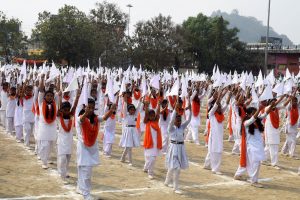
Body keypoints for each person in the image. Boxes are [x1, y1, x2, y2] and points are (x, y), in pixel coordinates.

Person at [76, 98, 115, 200]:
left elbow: (104, 118)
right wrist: (86, 112)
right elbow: (81, 120)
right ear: (85, 107)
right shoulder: (80, 118)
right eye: (89, 107)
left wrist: (111, 110)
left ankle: (80, 188)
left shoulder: (95, 118)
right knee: (85, 171)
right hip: (83, 148)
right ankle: (86, 194)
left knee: (84, 170)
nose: (91, 109)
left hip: (91, 148)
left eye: (93, 108)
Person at [234, 104, 273, 188]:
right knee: (256, 163)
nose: (257, 114)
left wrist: (273, 104)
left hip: (258, 145)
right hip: (251, 146)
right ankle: (253, 181)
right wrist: (259, 108)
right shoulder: (246, 122)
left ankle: (238, 175)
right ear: (248, 114)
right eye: (254, 113)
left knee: (248, 162)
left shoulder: (257, 121)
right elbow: (252, 119)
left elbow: (266, 113)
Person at [164, 97, 191, 194]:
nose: (179, 122)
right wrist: (175, 109)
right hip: (173, 148)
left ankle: (167, 181)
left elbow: (188, 120)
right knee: (177, 168)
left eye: (180, 120)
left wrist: (190, 110)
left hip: (181, 148)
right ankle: (176, 187)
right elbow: (171, 121)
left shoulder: (182, 127)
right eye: (177, 120)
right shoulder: (171, 128)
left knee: (172, 167)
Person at [203, 88, 231, 174]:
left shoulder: (220, 113)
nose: (220, 107)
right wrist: (219, 96)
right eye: (218, 106)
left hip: (219, 136)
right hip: (214, 136)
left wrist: (229, 95)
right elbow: (215, 105)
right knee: (215, 151)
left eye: (220, 107)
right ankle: (215, 169)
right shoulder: (211, 114)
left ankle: (206, 164)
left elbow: (226, 104)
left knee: (214, 150)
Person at [56, 89, 80, 182]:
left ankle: (65, 172)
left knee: (68, 158)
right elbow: (58, 109)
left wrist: (77, 97)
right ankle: (62, 174)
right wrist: (60, 97)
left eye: (68, 109)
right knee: (62, 158)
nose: (66, 111)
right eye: (64, 110)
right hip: (62, 140)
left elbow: (74, 107)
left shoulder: (71, 117)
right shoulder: (59, 117)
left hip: (69, 140)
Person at [37, 74, 58, 169]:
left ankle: (47, 158)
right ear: (44, 97)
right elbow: (41, 90)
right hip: (44, 127)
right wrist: (42, 79)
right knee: (44, 145)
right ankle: (43, 161)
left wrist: (58, 81)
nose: (49, 97)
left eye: (51, 96)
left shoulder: (55, 104)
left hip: (52, 127)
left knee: (50, 144)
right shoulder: (41, 102)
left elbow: (59, 92)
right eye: (48, 95)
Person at [119, 93, 141, 165]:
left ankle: (122, 158)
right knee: (129, 146)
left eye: (133, 110)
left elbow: (138, 108)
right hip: (128, 131)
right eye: (131, 110)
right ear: (128, 111)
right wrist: (125, 100)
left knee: (128, 146)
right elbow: (124, 108)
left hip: (133, 131)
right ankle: (130, 161)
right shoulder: (126, 115)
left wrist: (140, 101)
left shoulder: (135, 115)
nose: (132, 111)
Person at [143, 100, 162, 179]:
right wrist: (147, 106)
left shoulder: (156, 121)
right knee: (150, 158)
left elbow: (157, 113)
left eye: (153, 115)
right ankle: (150, 173)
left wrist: (158, 105)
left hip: (155, 144)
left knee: (152, 158)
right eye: (150, 115)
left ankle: (146, 168)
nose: (152, 116)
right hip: (149, 143)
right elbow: (146, 114)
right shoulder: (147, 122)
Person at [281, 92, 299, 158]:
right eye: (294, 101)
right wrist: (291, 97)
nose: (295, 103)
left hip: (294, 126)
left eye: (296, 101)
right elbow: (285, 104)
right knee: (293, 141)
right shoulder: (289, 108)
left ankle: (283, 151)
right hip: (289, 126)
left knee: (288, 140)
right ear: (291, 102)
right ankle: (292, 154)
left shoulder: (297, 108)